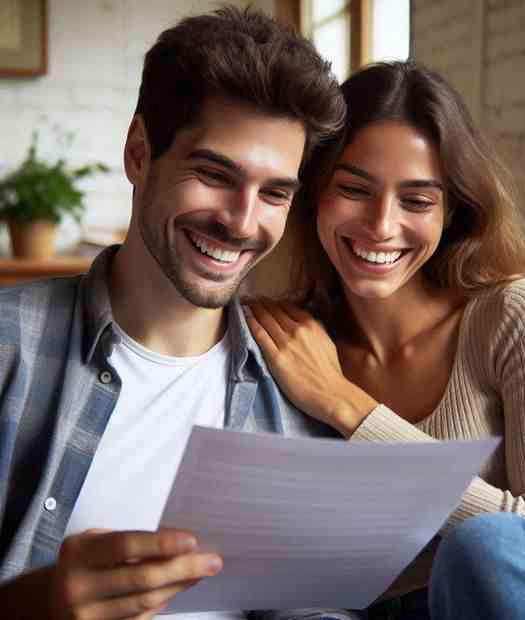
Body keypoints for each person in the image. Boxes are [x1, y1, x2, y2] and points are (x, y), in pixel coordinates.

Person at [0, 7, 346, 619]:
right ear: (139, 152)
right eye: (214, 173)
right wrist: (29, 607)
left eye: (274, 193)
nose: (241, 221)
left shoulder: (296, 386)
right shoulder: (9, 345)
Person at [247, 61, 525, 619]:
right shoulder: (290, 341)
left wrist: (349, 407)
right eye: (353, 189)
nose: (381, 225)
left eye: (417, 201)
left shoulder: (513, 312)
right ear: (315, 193)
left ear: (451, 212)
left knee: (483, 548)